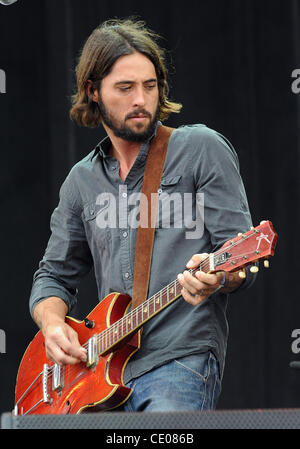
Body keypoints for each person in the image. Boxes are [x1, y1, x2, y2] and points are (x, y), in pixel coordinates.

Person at [29, 18, 256, 412]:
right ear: (93, 91)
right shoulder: (81, 181)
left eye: (149, 86)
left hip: (179, 357)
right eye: (125, 88)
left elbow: (239, 256)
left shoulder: (200, 149)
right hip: (97, 375)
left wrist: (218, 273)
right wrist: (52, 325)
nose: (141, 99)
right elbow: (52, 275)